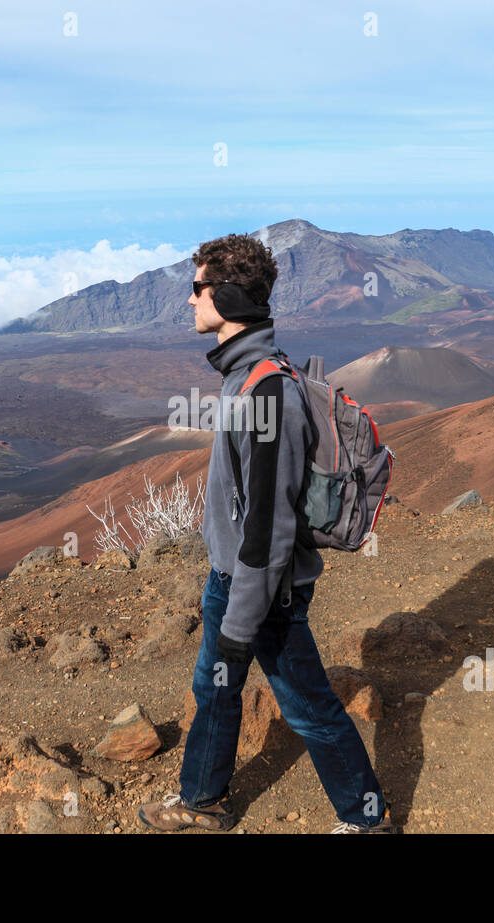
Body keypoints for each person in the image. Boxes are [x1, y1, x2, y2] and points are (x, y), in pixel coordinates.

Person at [137, 233, 398, 834]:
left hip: (264, 591)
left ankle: (366, 819)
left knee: (308, 708)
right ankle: (201, 801)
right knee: (216, 691)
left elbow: (270, 527)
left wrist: (239, 623)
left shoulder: (268, 392)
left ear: (226, 296)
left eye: (198, 289)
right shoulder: (246, 376)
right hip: (232, 579)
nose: (190, 300)